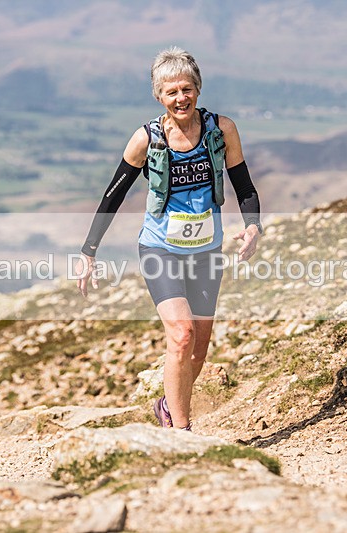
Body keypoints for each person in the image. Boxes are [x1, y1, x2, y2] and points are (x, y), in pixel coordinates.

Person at [77, 46, 262, 431]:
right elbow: (113, 195)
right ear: (159, 96)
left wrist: (253, 224)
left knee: (198, 350)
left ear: (198, 89)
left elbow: (243, 183)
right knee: (181, 334)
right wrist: (88, 252)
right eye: (172, 91)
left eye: (187, 89)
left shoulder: (221, 130)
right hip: (160, 248)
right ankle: (181, 431)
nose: (181, 98)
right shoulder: (146, 139)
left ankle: (167, 404)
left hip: (207, 251)